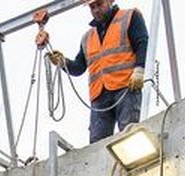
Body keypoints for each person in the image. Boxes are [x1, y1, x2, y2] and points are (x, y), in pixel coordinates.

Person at [47, 0, 149, 144]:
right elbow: (79, 67)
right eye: (92, 6)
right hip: (99, 95)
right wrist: (63, 63)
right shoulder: (88, 37)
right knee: (97, 144)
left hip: (126, 87)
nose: (96, 9)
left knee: (129, 134)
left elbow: (142, 43)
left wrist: (139, 70)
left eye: (99, 4)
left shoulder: (129, 17)